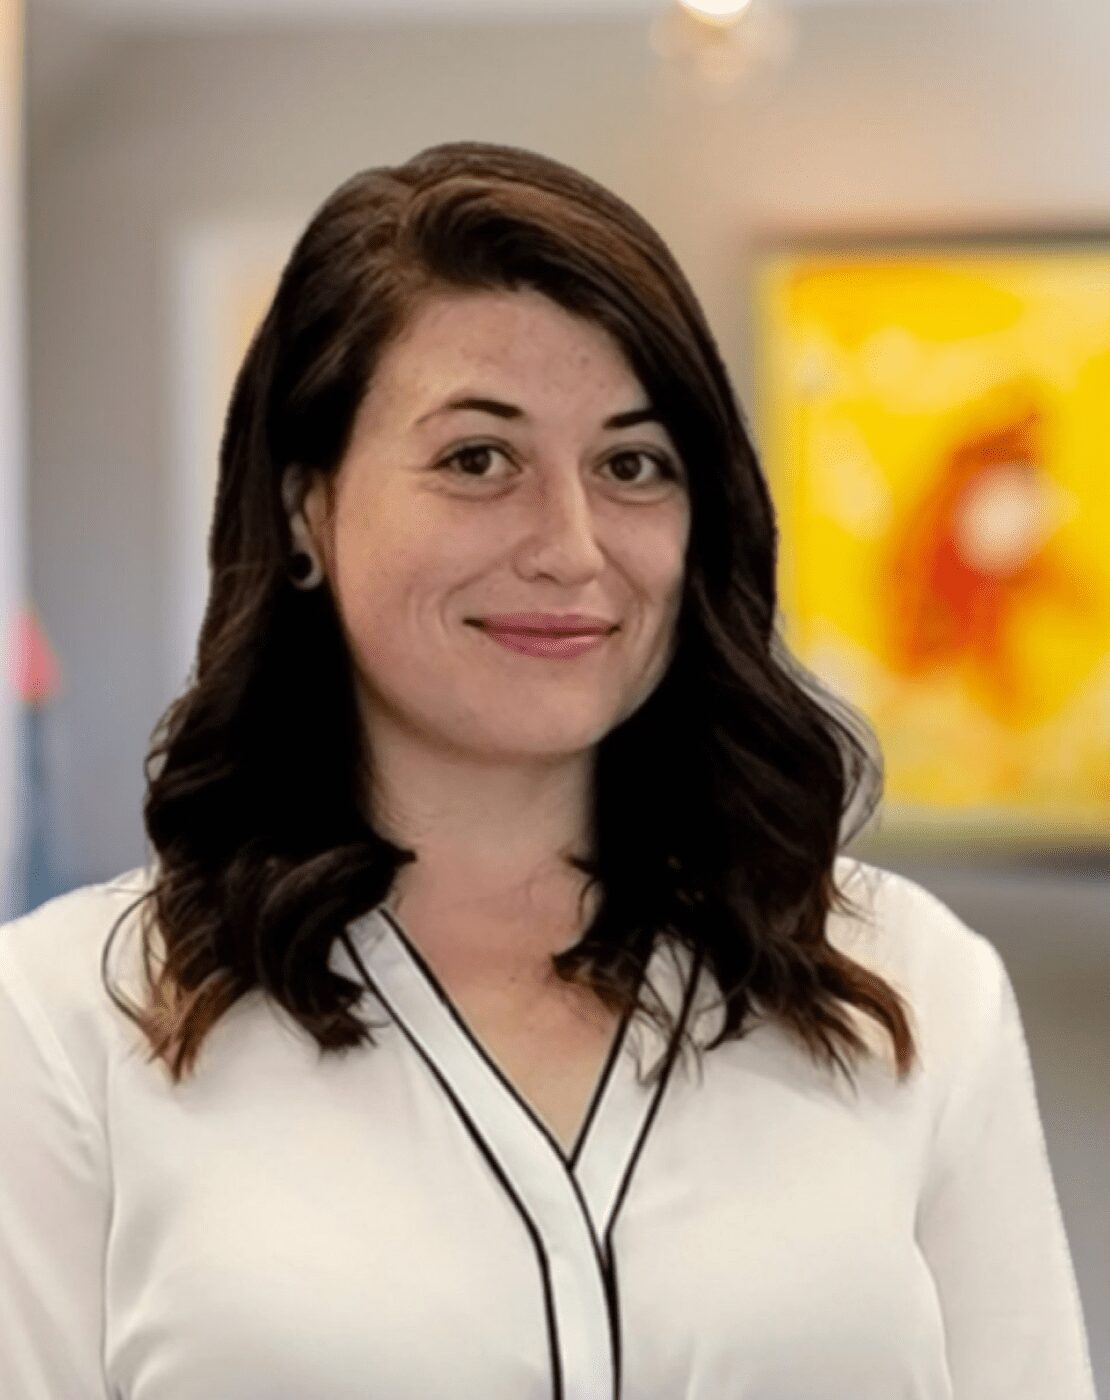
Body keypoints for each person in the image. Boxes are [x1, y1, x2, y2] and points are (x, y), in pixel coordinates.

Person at [0, 141, 1096, 1400]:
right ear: (308, 510)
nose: (573, 548)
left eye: (633, 465)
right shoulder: (67, 1027)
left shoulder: (908, 986)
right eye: (478, 459)